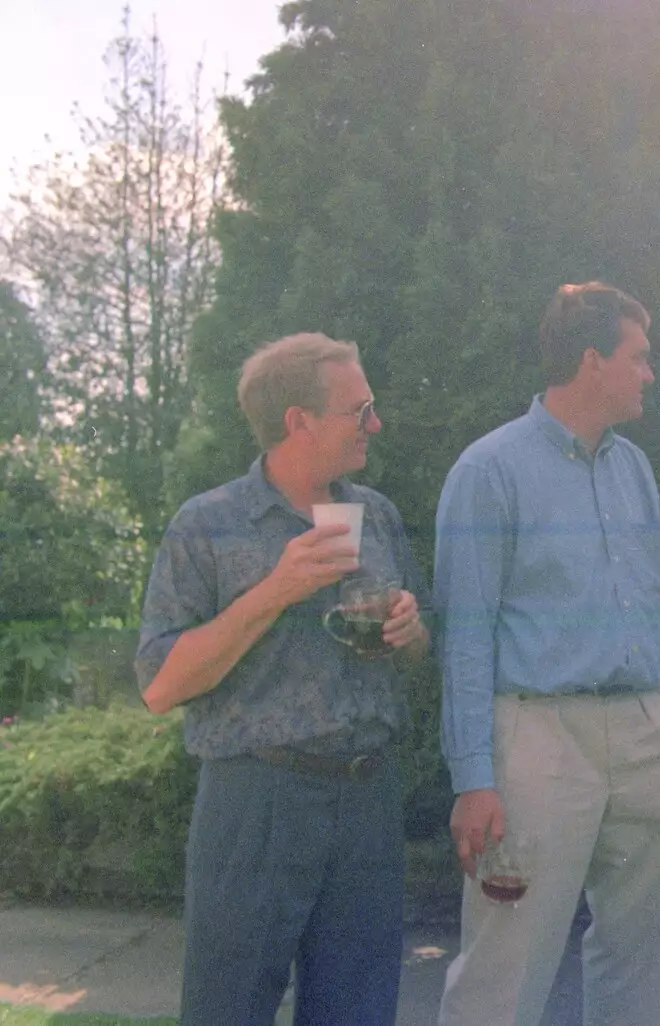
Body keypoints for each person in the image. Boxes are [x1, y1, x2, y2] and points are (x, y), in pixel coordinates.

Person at [136, 333, 431, 1026]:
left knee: (358, 1010)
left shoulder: (378, 516)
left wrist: (409, 629)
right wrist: (274, 590)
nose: (375, 424)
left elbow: (417, 654)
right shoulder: (207, 525)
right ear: (299, 421)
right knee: (229, 1008)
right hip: (257, 800)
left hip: (366, 797)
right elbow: (158, 684)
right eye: (360, 409)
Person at [434, 281, 660, 1026]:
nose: (651, 373)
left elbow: (651, 604)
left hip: (652, 728)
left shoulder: (633, 468)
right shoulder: (489, 473)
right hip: (540, 738)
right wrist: (474, 778)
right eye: (639, 357)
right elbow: (466, 636)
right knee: (505, 965)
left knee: (647, 954)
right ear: (592, 361)